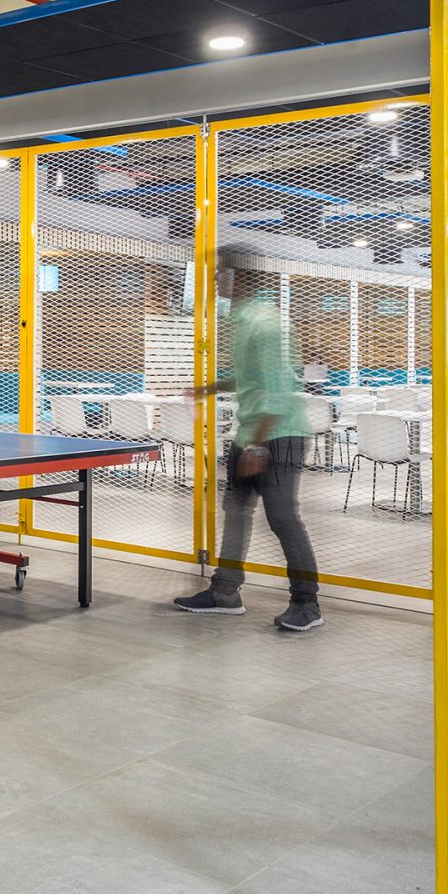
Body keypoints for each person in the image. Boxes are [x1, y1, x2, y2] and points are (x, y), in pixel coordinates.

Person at [176, 245, 322, 631]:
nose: (214, 279)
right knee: (236, 513)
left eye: (220, 273)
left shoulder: (268, 324)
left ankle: (307, 605)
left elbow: (277, 391)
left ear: (241, 278)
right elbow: (250, 378)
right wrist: (208, 388)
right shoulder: (243, 321)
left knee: (283, 519)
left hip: (277, 436)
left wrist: (258, 445)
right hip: (250, 433)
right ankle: (225, 592)